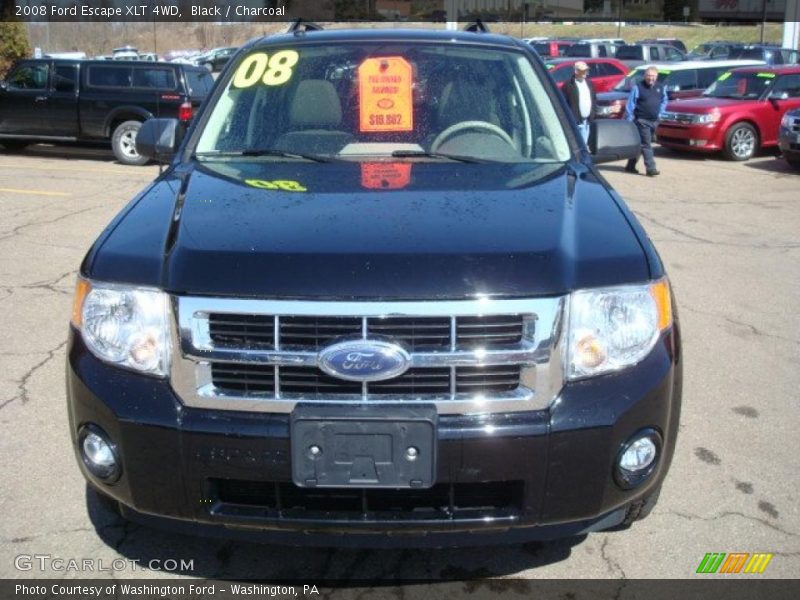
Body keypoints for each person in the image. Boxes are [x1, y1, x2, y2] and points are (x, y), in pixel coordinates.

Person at [624, 66, 668, 176]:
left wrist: (660, 114)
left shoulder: (661, 87)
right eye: (648, 75)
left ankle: (630, 165)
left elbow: (664, 101)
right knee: (647, 144)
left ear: (656, 76)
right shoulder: (637, 88)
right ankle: (651, 168)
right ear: (644, 76)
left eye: (653, 76)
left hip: (654, 121)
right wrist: (629, 120)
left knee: (641, 144)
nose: (650, 78)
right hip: (641, 121)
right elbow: (630, 104)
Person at [561, 61, 596, 145]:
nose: (585, 73)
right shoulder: (568, 84)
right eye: (583, 71)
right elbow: (563, 103)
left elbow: (594, 99)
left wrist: (592, 114)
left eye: (586, 70)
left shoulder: (589, 83)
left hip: (587, 121)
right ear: (576, 71)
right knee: (578, 144)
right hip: (576, 121)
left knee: (584, 144)